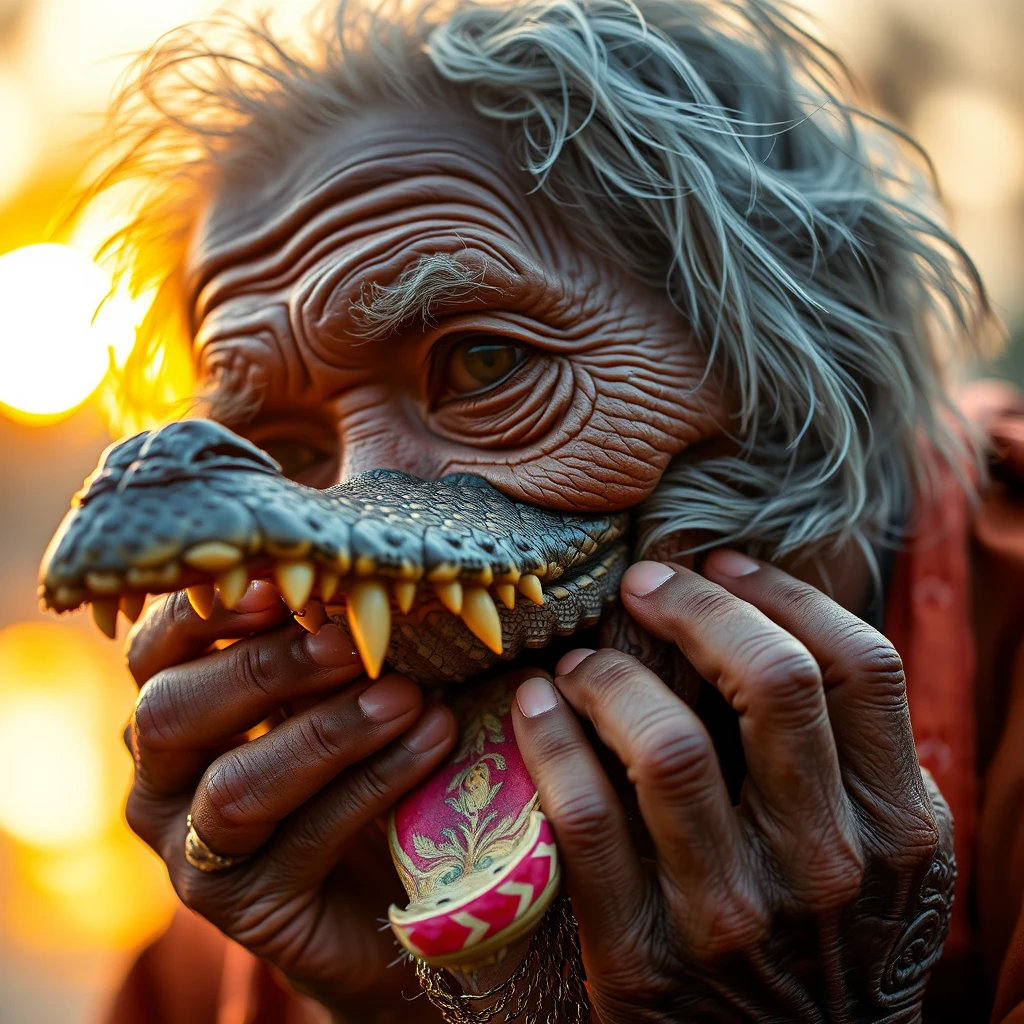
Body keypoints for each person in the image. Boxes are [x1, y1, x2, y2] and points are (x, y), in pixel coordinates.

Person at [74, 0, 1024, 1020]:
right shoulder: (303, 873)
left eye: (485, 363)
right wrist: (406, 1002)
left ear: (799, 354)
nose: (355, 506)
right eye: (293, 454)